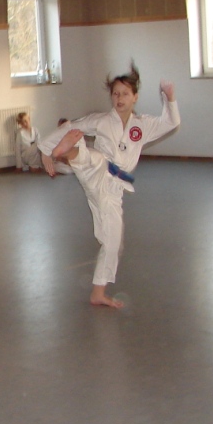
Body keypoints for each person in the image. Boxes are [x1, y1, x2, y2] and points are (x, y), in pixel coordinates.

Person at [39, 63, 179, 309]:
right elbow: (71, 125)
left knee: (113, 242)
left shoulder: (142, 125)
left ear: (135, 97)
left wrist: (170, 98)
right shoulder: (102, 120)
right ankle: (66, 152)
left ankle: (98, 293)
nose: (119, 98)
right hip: (98, 170)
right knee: (91, 157)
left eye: (125, 93)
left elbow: (171, 122)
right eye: (115, 94)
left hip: (115, 186)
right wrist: (45, 150)